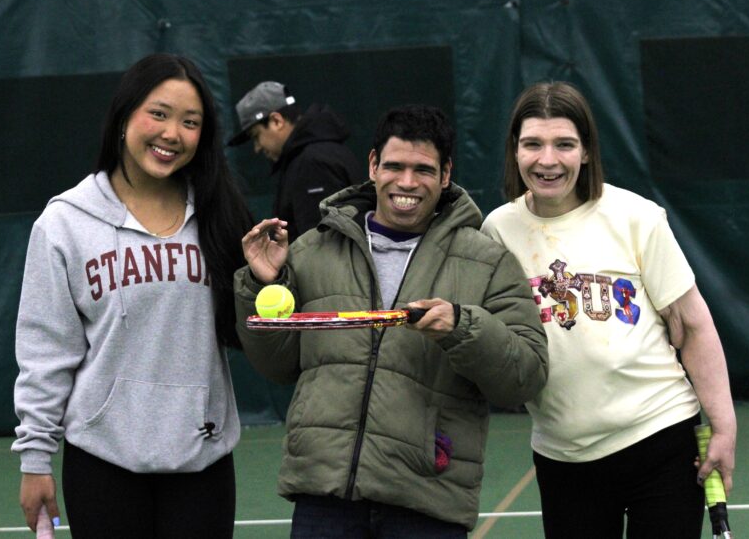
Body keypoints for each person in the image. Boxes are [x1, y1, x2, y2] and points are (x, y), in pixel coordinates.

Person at [234, 104, 549, 536]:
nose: (406, 182)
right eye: (395, 166)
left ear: (445, 174)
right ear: (372, 165)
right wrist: (258, 284)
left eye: (423, 169)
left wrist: (462, 327)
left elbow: (525, 376)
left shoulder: (488, 262)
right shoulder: (311, 252)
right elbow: (277, 366)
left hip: (425, 499)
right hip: (325, 499)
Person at [481, 81, 737, 538]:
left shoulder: (635, 217)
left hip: (659, 440)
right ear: (514, 151)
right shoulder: (498, 230)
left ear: (586, 151)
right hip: (563, 460)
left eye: (564, 144)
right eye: (532, 144)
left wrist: (724, 427)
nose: (547, 160)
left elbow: (693, 326)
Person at [11, 53, 252, 538]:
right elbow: (45, 350)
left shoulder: (220, 213)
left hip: (201, 460)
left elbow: (251, 334)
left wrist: (266, 282)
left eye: (190, 122)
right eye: (158, 114)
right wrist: (35, 459)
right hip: (103, 462)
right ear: (124, 117)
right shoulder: (64, 223)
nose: (172, 134)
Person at [227, 81, 366, 241]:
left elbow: (321, 245)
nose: (257, 148)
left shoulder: (312, 163)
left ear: (276, 121)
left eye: (256, 136)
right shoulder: (314, 155)